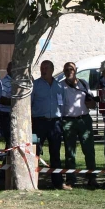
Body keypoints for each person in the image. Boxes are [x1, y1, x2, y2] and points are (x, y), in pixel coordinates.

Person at [31, 60, 68, 190]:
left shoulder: (59, 86)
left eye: (46, 68)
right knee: (35, 152)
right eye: (42, 68)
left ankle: (57, 183)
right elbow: (29, 104)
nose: (43, 70)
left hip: (55, 123)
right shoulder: (35, 85)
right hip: (39, 122)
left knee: (55, 153)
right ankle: (32, 182)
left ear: (52, 69)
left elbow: (62, 104)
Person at [60, 62, 97, 188]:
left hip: (84, 120)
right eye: (66, 70)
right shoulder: (61, 86)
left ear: (76, 70)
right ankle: (70, 180)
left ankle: (92, 178)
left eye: (71, 69)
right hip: (68, 121)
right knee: (70, 152)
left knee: (89, 150)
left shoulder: (83, 83)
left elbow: (92, 103)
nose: (69, 71)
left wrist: (91, 103)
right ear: (63, 72)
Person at [0, 62, 13, 148]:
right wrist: (16, 103)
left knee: (11, 140)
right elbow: (1, 99)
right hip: (4, 115)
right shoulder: (3, 82)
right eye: (11, 68)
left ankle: (6, 159)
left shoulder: (17, 81)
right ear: (7, 70)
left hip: (12, 114)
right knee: (8, 139)